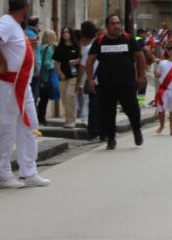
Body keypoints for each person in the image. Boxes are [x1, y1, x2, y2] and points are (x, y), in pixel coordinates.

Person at [0, 0, 50, 189]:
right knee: (8, 127)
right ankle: (4, 175)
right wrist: (1, 61)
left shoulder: (15, 26)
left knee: (30, 124)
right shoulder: (7, 22)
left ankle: (29, 171)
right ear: (25, 8)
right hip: (8, 85)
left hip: (22, 85)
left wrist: (27, 45)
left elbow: (12, 47)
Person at [86, 14, 146, 150]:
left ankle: (137, 130)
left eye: (118, 23)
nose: (116, 26)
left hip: (127, 84)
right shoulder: (100, 41)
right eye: (113, 24)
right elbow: (90, 61)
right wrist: (90, 79)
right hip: (106, 85)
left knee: (133, 110)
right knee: (108, 113)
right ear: (107, 26)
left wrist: (141, 76)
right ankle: (111, 138)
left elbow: (140, 57)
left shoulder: (129, 39)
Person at [53, 26, 80, 128]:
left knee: (70, 95)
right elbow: (56, 62)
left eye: (67, 32)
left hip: (74, 75)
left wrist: (76, 61)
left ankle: (71, 120)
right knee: (64, 98)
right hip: (63, 76)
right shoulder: (60, 48)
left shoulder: (77, 47)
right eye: (63, 32)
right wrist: (59, 72)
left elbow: (82, 58)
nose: (65, 34)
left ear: (71, 34)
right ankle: (67, 119)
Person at [77, 20, 100, 139]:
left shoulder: (89, 47)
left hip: (91, 78)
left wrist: (78, 81)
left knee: (90, 103)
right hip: (99, 77)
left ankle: (92, 129)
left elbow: (82, 66)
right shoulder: (96, 44)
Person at [36, 29, 57, 125]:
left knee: (40, 99)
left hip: (39, 76)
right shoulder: (49, 48)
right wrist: (53, 69)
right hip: (46, 76)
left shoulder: (40, 47)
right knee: (44, 100)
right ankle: (41, 118)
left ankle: (39, 117)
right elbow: (47, 63)